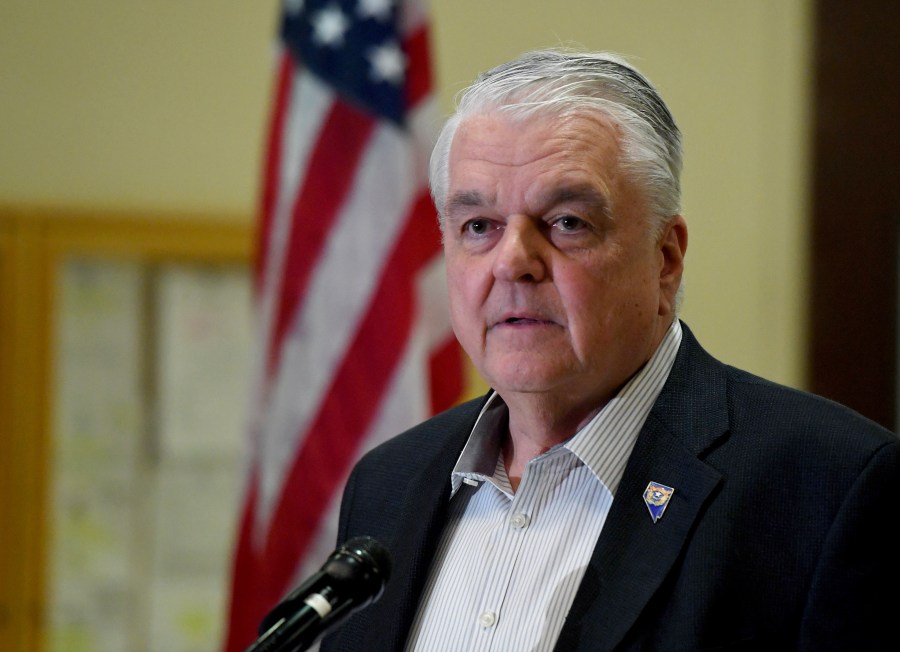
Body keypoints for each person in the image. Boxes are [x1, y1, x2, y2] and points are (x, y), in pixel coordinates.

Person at [319, 49, 900, 651]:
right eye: (478, 226)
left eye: (567, 222)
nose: (513, 261)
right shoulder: (386, 483)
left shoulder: (829, 488)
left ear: (666, 259)